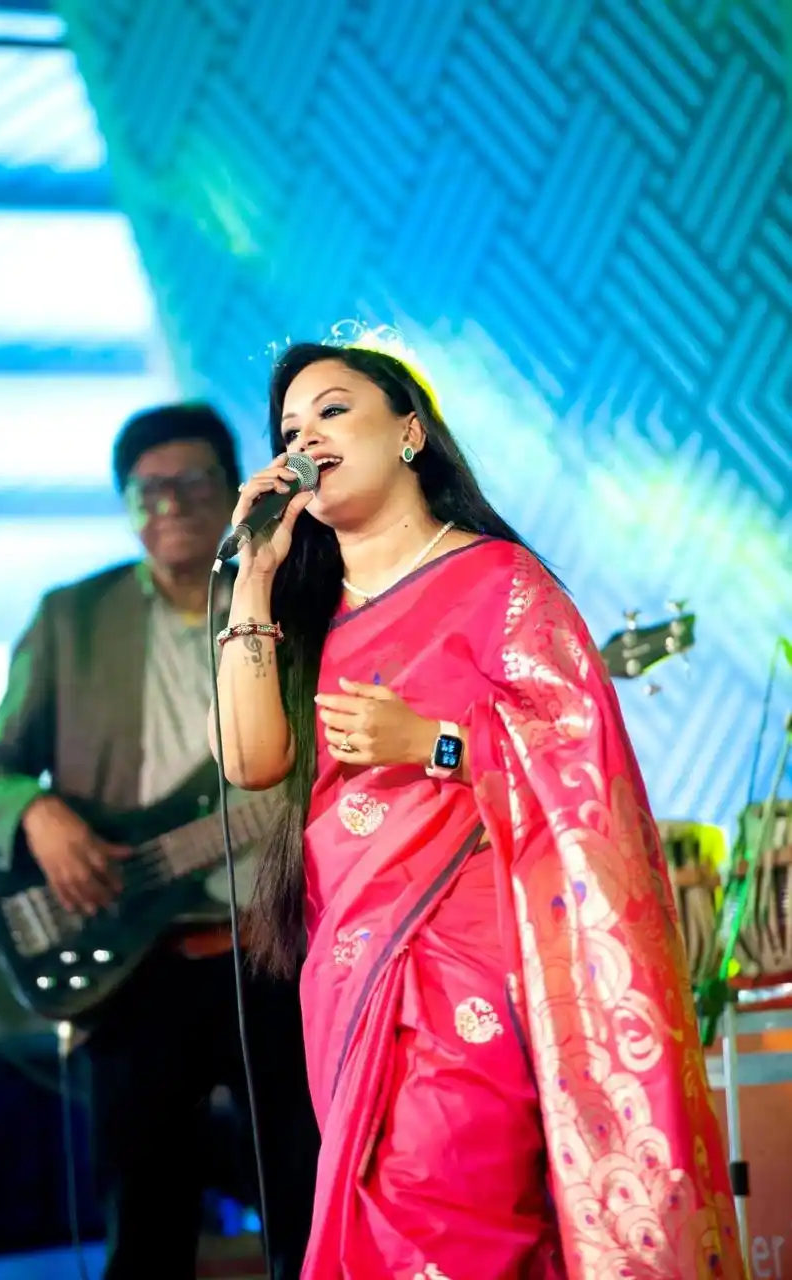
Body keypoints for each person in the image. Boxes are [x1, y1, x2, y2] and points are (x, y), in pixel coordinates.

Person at [210, 341, 746, 1280]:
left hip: (471, 970)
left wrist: (434, 743)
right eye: (289, 429)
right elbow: (251, 763)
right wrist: (254, 575)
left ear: (409, 433)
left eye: (332, 411)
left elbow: (583, 772)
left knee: (452, 1207)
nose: (305, 440)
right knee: (381, 1215)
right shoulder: (305, 612)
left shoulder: (501, 584)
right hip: (350, 972)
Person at [0, 402, 318, 1280]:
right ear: (125, 504)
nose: (171, 504)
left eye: (192, 481)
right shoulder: (70, 617)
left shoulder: (290, 599)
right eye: (147, 489)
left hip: (277, 949)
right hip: (135, 965)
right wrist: (35, 814)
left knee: (308, 1208)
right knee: (146, 1228)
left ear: (234, 489)